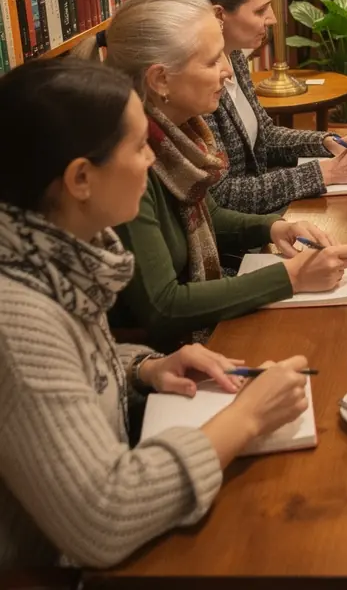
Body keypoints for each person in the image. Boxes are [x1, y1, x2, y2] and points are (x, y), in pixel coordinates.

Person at [0, 58, 313, 569]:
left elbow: (66, 373)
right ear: (81, 178)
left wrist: (142, 367)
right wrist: (246, 418)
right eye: (139, 145)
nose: (151, 159)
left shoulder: (50, 254)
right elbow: (104, 517)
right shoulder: (19, 319)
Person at [76, 0, 347, 350]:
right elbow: (163, 307)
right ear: (160, 80)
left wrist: (273, 226)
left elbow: (209, 214)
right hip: (168, 356)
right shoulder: (131, 164)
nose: (227, 71)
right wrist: (292, 277)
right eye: (212, 62)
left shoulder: (178, 135)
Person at [166, 0, 347, 213]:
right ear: (219, 15)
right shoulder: (196, 82)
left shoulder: (235, 56)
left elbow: (263, 136)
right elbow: (222, 196)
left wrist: (326, 143)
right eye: (261, 10)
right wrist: (327, 173)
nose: (273, 18)